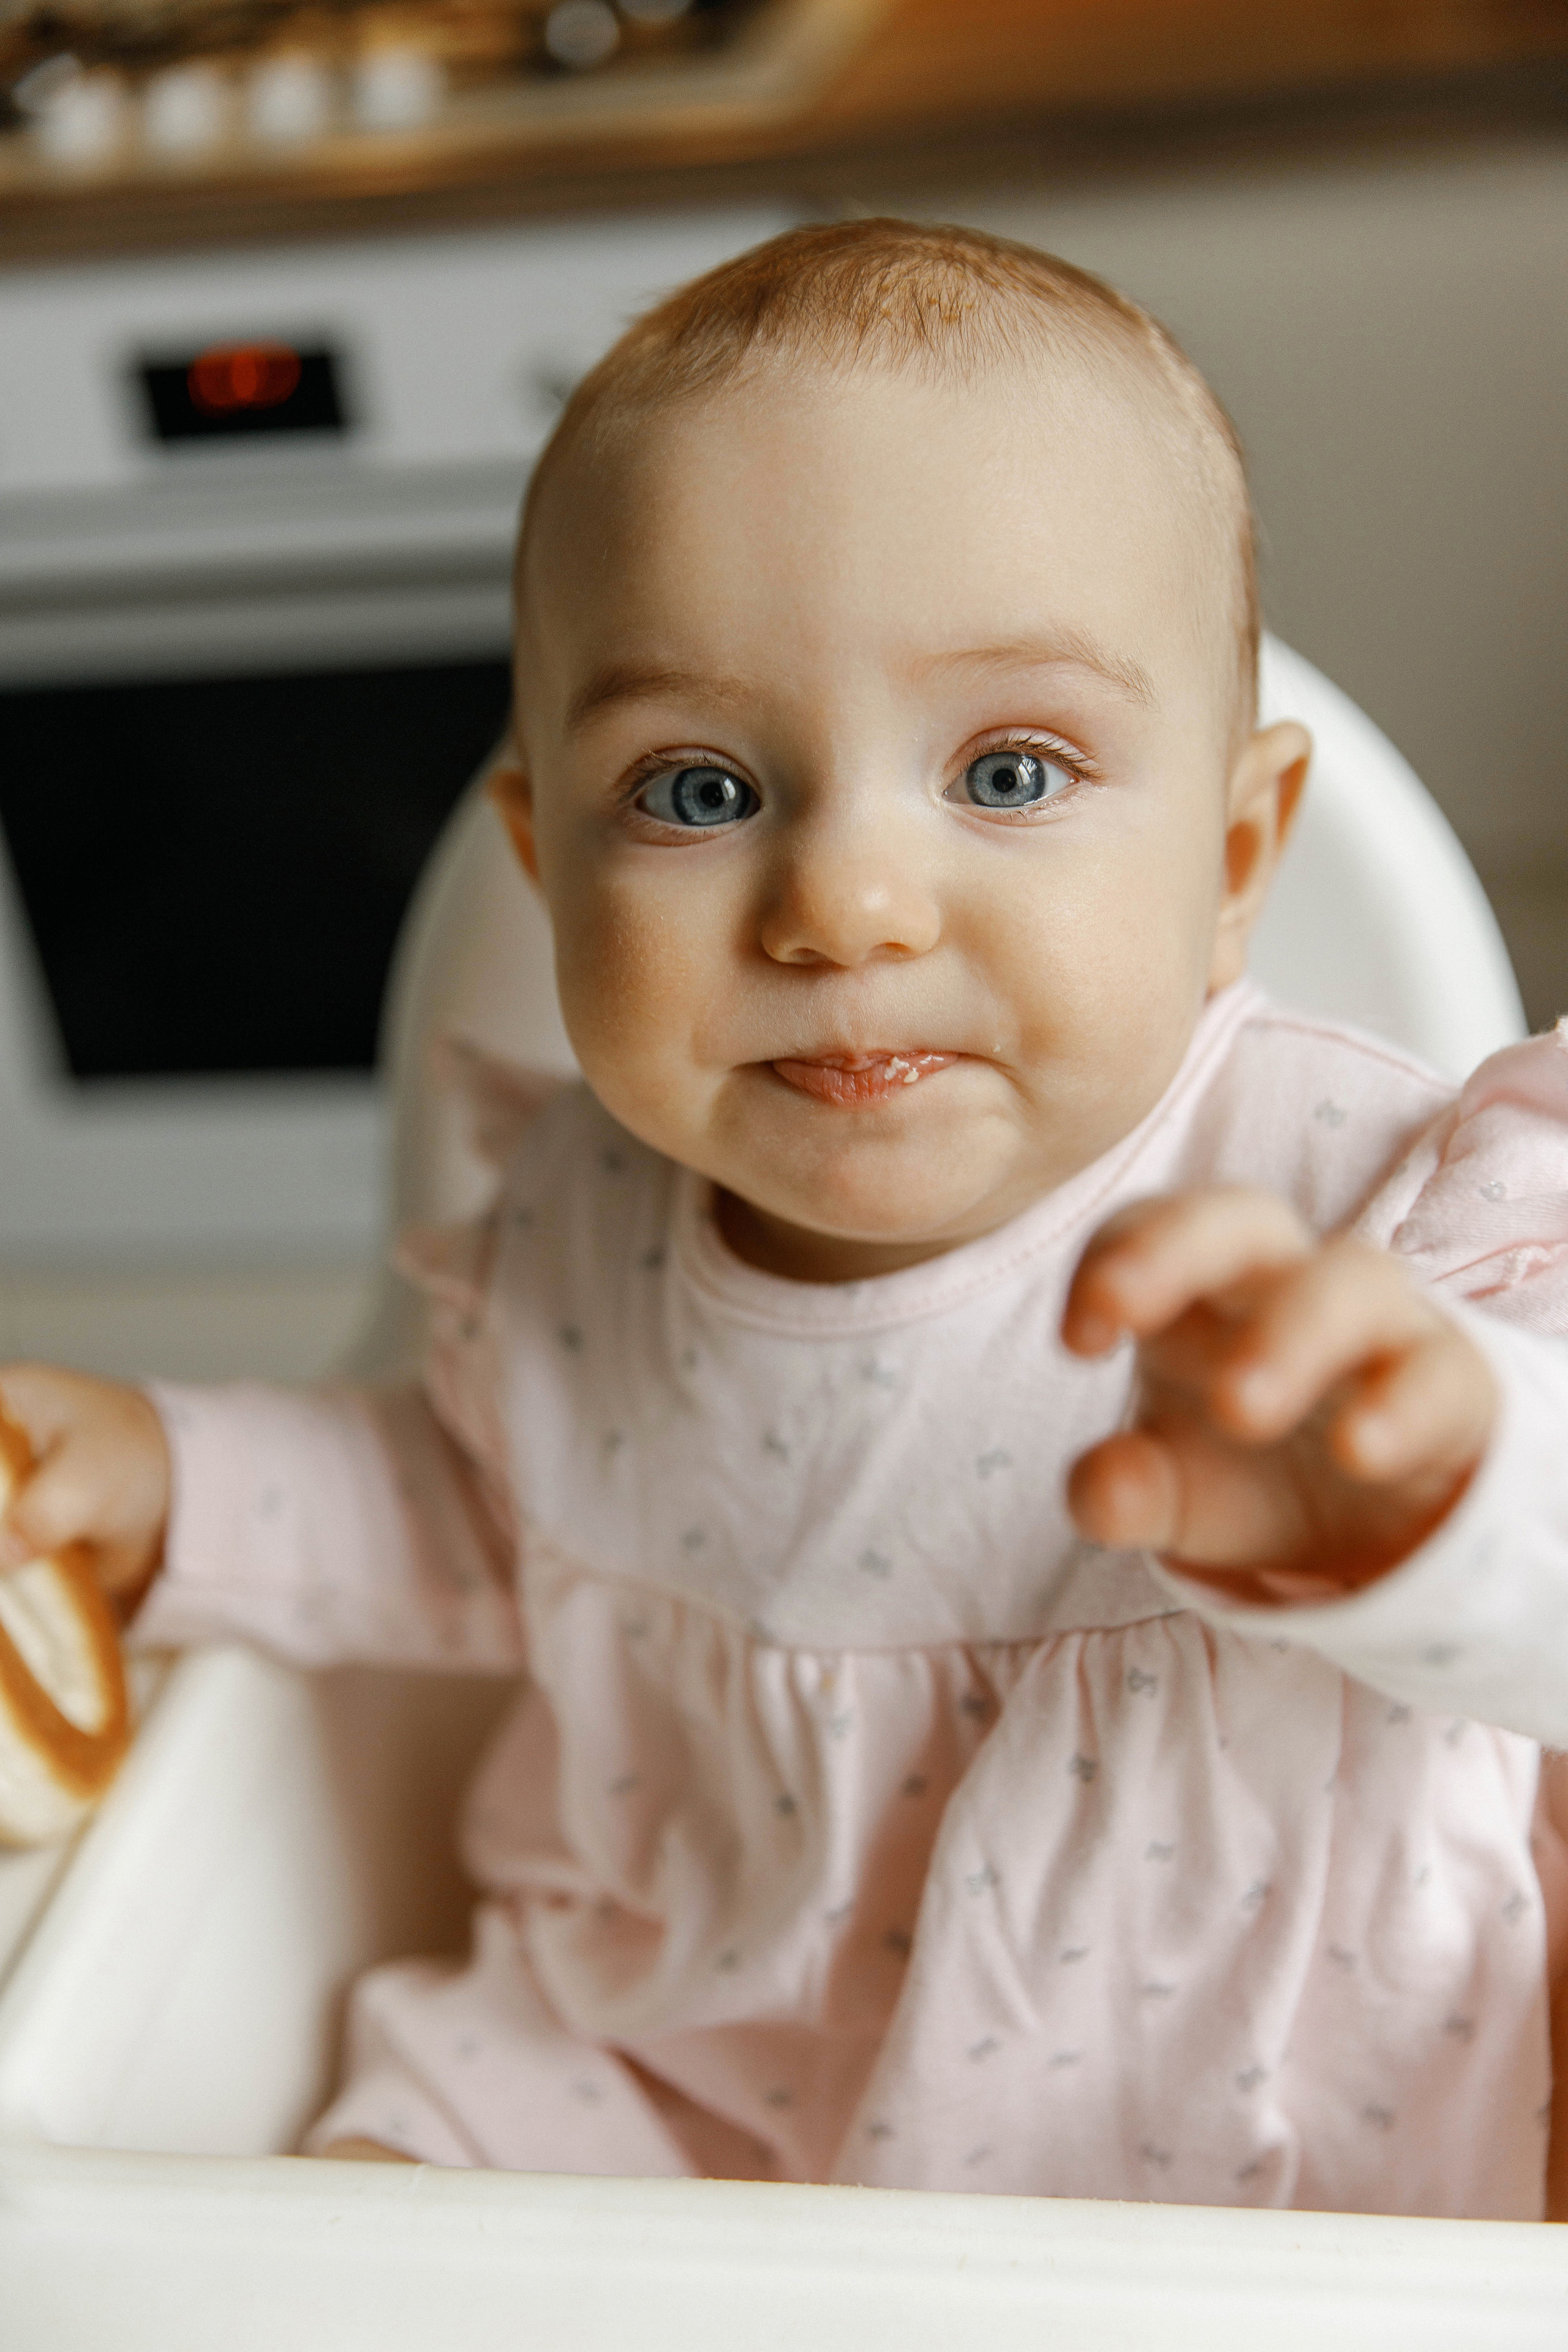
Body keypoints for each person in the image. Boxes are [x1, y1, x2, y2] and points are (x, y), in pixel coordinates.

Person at [5, 219, 1568, 2217]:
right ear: (547, 870)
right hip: (660, 2057)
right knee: (332, 2222)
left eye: (1009, 771)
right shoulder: (583, 1218)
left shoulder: (1377, 1229)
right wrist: (168, 1482)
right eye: (697, 792)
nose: (845, 905)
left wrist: (1438, 1492)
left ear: (1238, 851)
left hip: (1223, 2151)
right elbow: (492, 1515)